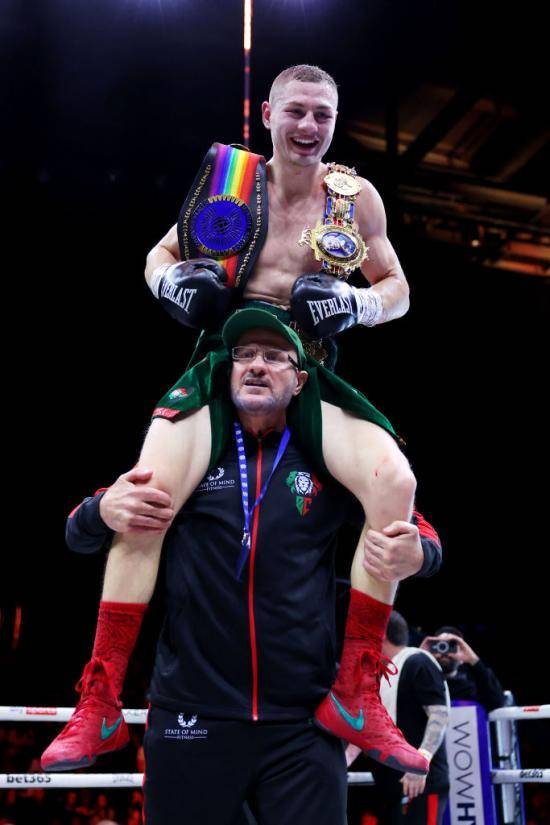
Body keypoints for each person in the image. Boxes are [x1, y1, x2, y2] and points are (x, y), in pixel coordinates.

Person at [43, 64, 426, 772]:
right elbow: (158, 255)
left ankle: (356, 691)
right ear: (267, 113)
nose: (310, 128)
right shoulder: (229, 182)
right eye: (298, 112)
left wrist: (361, 306)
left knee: (395, 480)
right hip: (227, 355)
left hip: (306, 363)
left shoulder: (353, 197)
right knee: (146, 496)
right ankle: (99, 701)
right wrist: (169, 285)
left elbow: (398, 287)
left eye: (324, 116)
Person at [46, 311, 442, 824]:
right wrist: (99, 510)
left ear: (302, 381)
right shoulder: (190, 450)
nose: (256, 366)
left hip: (305, 725)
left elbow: (414, 525)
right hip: (193, 716)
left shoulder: (328, 459)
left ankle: (355, 691)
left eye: (274, 357)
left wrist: (422, 553)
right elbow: (82, 531)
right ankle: (98, 696)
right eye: (244, 355)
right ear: (225, 369)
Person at [348, 612, 450, 825]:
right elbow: (365, 730)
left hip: (420, 784)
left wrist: (419, 763)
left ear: (381, 633)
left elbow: (439, 715)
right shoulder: (378, 674)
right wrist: (340, 764)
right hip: (390, 786)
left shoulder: (418, 661)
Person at [420, 626, 505, 711]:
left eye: (451, 645)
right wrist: (418, 656)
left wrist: (473, 660)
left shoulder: (470, 690)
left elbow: (497, 702)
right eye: (440, 645)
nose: (444, 651)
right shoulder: (422, 685)